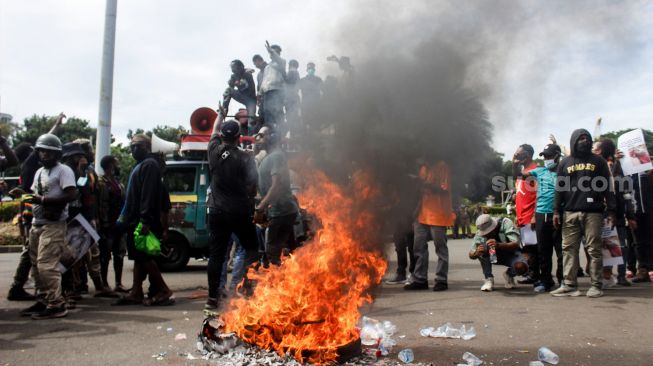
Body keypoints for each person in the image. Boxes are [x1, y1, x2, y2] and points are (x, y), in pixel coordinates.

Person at [551, 129, 616, 298]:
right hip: (570, 212)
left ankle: (596, 285)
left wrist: (611, 210)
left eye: (587, 138)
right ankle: (570, 285)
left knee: (594, 250)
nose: (584, 141)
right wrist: (556, 210)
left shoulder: (599, 161)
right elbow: (559, 188)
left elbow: (608, 188)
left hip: (593, 213)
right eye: (581, 138)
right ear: (573, 141)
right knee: (568, 249)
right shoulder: (565, 162)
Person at [18, 133, 77, 319]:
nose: (45, 155)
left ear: (57, 154)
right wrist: (23, 195)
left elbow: (71, 194)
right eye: (42, 151)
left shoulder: (63, 171)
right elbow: (35, 195)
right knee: (35, 265)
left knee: (46, 265)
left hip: (54, 224)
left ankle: (57, 304)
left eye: (49, 152)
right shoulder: (39, 172)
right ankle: (44, 299)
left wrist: (43, 200)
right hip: (38, 223)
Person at [113, 134, 174, 306]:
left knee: (144, 257)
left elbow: (148, 194)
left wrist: (145, 220)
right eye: (132, 146)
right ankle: (136, 291)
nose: (134, 149)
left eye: (137, 146)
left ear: (147, 147)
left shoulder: (149, 165)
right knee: (139, 257)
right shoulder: (141, 165)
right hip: (136, 219)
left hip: (142, 220)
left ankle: (163, 290)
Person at [205, 118, 260, 310]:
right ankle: (246, 288)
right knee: (252, 249)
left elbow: (213, 129)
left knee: (216, 256)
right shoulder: (246, 158)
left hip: (216, 211)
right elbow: (253, 189)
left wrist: (221, 114)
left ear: (222, 136)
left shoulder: (213, 150)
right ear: (238, 137)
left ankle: (212, 298)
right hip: (238, 211)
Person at [405, 159, 455, 291]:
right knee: (418, 248)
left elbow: (444, 190)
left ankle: (441, 280)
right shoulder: (423, 167)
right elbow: (420, 192)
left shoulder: (442, 166)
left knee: (440, 248)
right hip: (421, 215)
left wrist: (423, 183)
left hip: (438, 215)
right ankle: (420, 279)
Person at [253, 126, 299, 266]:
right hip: (277, 212)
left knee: (273, 254)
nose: (257, 138)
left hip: (282, 212)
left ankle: (282, 284)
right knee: (274, 253)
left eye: (261, 135)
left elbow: (276, 186)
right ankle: (282, 283)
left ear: (272, 138)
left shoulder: (277, 156)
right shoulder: (270, 156)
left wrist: (260, 208)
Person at [521, 143, 563, 292]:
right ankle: (546, 281)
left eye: (549, 156)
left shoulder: (564, 170)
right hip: (541, 214)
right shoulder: (539, 171)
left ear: (557, 156)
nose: (546, 159)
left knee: (561, 250)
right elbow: (519, 176)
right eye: (544, 156)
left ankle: (563, 281)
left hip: (559, 214)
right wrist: (515, 162)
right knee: (543, 250)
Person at [593, 139, 635, 286]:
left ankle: (622, 276)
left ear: (601, 151)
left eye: (595, 148)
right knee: (606, 245)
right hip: (601, 213)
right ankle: (606, 275)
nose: (592, 150)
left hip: (618, 213)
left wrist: (630, 215)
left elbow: (626, 193)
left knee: (622, 245)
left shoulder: (617, 168)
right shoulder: (594, 166)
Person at [469, 214, 528, 292]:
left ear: (494, 227)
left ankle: (509, 274)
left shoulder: (505, 223)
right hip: (493, 256)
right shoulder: (480, 233)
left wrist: (499, 245)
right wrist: (476, 253)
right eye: (484, 233)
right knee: (483, 251)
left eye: (488, 232)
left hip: (511, 253)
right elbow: (471, 253)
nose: (486, 234)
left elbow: (516, 243)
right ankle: (488, 279)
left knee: (521, 267)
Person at [97, 155, 128, 292]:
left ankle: (118, 283)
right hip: (107, 224)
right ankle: (104, 283)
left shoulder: (118, 183)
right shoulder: (100, 183)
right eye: (116, 163)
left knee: (119, 254)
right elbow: (99, 205)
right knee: (105, 255)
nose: (118, 165)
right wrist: (101, 223)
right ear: (110, 165)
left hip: (118, 224)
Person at [512, 144, 539, 286]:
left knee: (534, 248)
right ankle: (532, 274)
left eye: (519, 154)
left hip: (531, 215)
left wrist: (535, 215)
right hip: (522, 216)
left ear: (528, 155)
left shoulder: (535, 171)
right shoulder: (521, 173)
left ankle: (537, 276)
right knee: (527, 248)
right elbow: (519, 194)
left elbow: (539, 194)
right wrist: (517, 215)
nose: (516, 156)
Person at [631, 169, 653, 283]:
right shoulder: (625, 167)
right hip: (635, 209)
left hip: (650, 207)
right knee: (638, 241)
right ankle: (643, 269)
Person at [223, 59, 257, 133]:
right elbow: (231, 85)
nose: (233, 70)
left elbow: (251, 71)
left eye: (234, 68)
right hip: (242, 96)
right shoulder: (234, 76)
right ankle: (224, 109)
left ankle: (251, 137)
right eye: (232, 68)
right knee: (228, 90)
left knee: (251, 119)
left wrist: (240, 82)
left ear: (240, 67)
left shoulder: (247, 73)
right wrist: (231, 83)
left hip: (251, 99)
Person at [258, 42, 286, 128]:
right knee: (267, 111)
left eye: (276, 52)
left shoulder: (281, 62)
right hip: (267, 92)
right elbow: (264, 80)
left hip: (277, 90)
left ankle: (281, 131)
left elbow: (278, 59)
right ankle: (269, 132)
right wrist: (260, 93)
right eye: (271, 52)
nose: (273, 54)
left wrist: (271, 51)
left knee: (277, 111)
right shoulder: (267, 67)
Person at [299, 62, 323, 127]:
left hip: (315, 104)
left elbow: (323, 90)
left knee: (315, 124)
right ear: (307, 70)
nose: (311, 70)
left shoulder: (318, 80)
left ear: (314, 70)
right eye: (309, 68)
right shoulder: (302, 80)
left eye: (312, 68)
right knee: (304, 122)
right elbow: (296, 90)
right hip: (305, 105)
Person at [284, 59, 301, 132]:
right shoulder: (297, 73)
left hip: (290, 97)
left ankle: (293, 133)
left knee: (290, 117)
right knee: (294, 116)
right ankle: (294, 134)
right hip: (294, 97)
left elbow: (286, 82)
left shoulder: (291, 72)